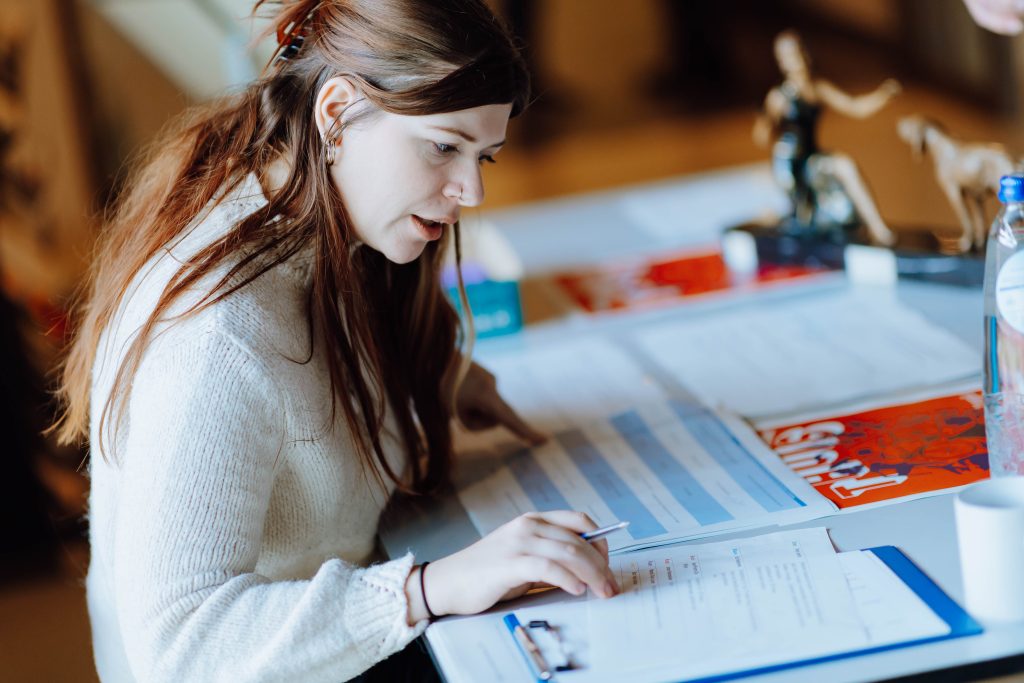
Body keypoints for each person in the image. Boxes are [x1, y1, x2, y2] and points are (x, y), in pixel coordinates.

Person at [52, 1, 618, 681]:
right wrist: (429, 589)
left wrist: (438, 375)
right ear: (336, 112)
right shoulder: (214, 339)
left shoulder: (323, 225)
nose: (471, 190)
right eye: (444, 146)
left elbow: (306, 388)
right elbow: (178, 649)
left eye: (483, 156)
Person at [753, 30, 901, 246]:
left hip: (811, 158)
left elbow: (854, 107)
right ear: (782, 62)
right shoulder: (779, 96)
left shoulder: (818, 87)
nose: (799, 58)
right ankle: (786, 217)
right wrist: (769, 119)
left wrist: (883, 95)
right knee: (805, 217)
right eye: (791, 55)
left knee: (845, 165)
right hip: (790, 166)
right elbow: (761, 137)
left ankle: (879, 228)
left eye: (800, 50)